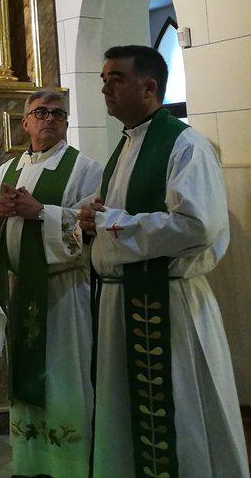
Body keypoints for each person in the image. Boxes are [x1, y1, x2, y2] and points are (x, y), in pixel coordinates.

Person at [78, 45, 248, 477]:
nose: (105, 89)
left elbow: (197, 224)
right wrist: (90, 217)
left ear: (149, 87)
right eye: (103, 79)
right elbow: (115, 211)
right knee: (123, 418)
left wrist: (109, 222)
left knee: (181, 415)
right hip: (119, 304)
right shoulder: (124, 147)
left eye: (116, 79)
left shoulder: (184, 144)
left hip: (168, 306)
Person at [0, 90, 102, 477]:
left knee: (65, 376)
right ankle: (31, 461)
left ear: (66, 122)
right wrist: (0, 212)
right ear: (25, 122)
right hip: (22, 290)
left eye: (58, 114)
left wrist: (41, 212)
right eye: (41, 113)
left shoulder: (86, 169)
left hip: (65, 293)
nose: (49, 119)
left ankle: (69, 465)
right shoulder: (7, 170)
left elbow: (92, 228)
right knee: (29, 376)